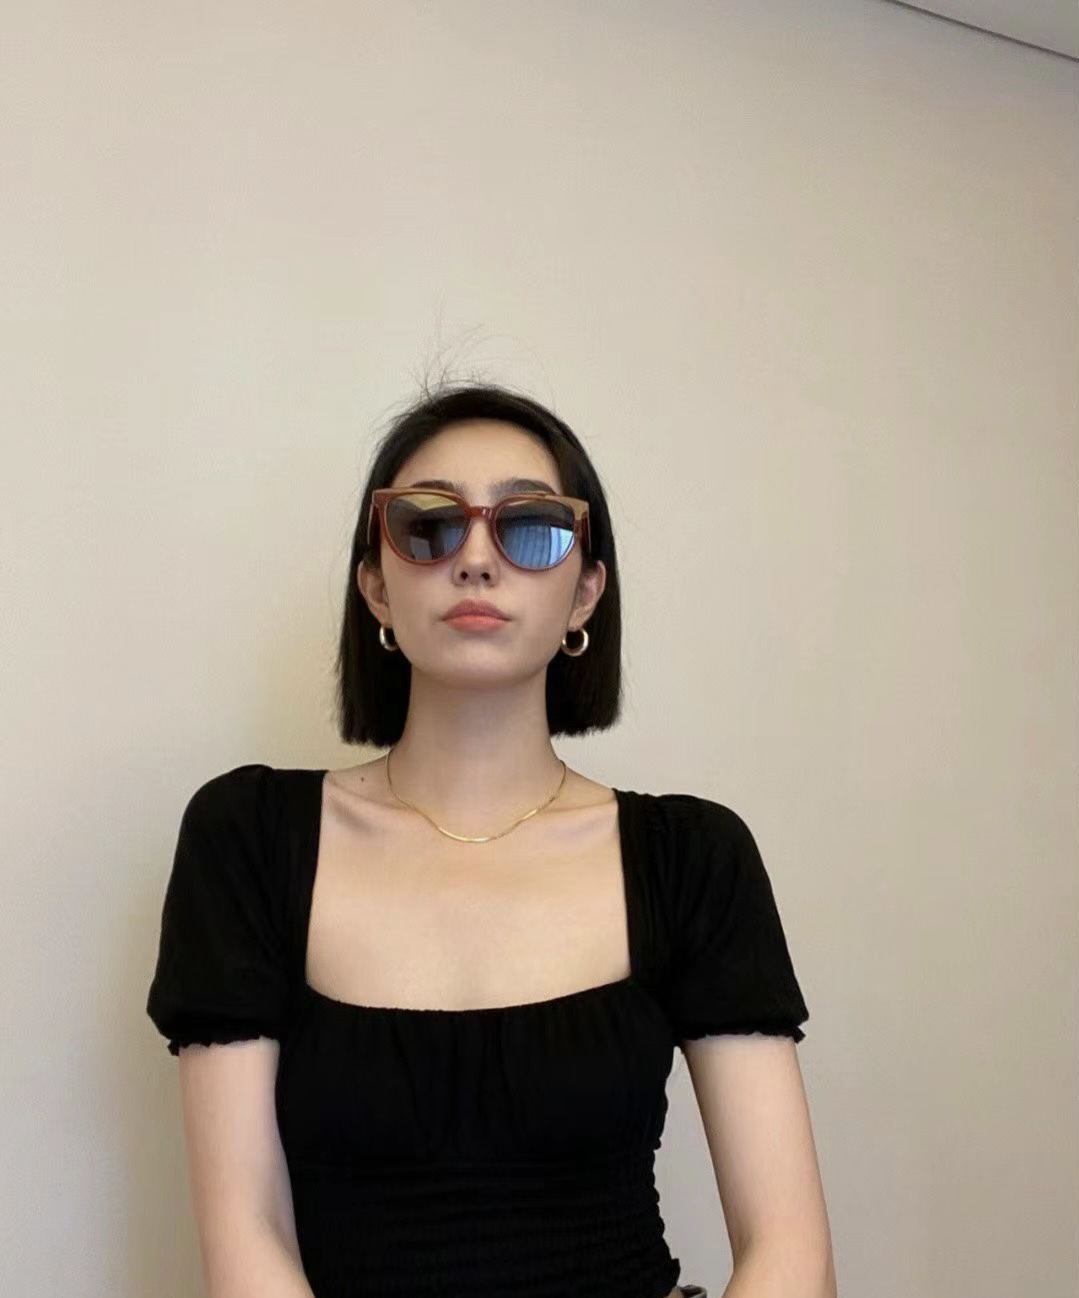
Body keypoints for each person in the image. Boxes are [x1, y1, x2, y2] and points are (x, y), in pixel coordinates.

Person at [146, 382, 836, 1298]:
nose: (475, 558)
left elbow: (789, 1251)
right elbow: (247, 1238)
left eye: (531, 527)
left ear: (584, 592)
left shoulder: (690, 857)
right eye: (428, 525)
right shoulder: (249, 839)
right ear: (374, 586)